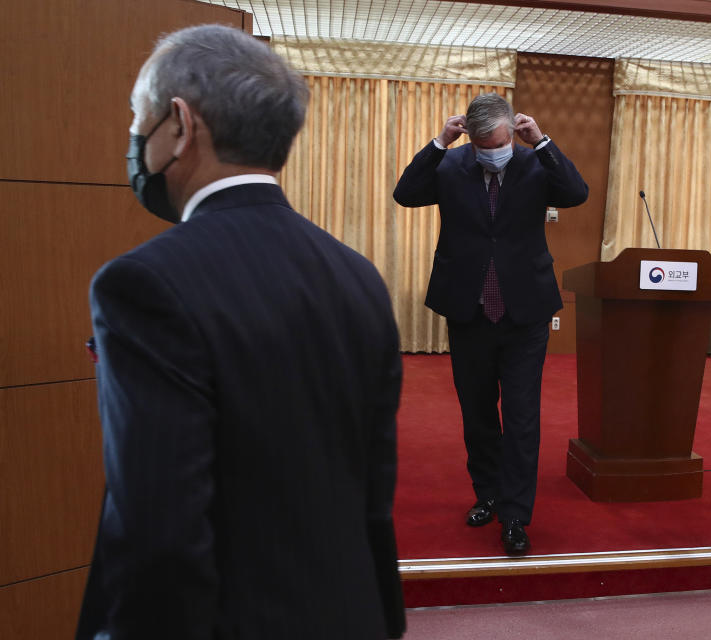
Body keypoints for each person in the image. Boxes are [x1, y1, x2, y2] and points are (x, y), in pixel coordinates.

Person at [76, 25, 405, 639]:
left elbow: (159, 529)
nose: (133, 136)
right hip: (351, 613)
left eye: (136, 117)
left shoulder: (143, 284)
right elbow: (372, 491)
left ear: (179, 124)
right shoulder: (358, 276)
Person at [393, 93, 588, 556]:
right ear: (470, 138)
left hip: (526, 315)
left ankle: (517, 514)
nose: (491, 153)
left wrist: (541, 142)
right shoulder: (450, 165)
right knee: (478, 413)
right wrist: (440, 142)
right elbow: (406, 194)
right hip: (469, 312)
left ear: (512, 132)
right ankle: (488, 494)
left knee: (521, 418)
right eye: (482, 146)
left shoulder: (535, 162)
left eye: (498, 143)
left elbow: (576, 193)